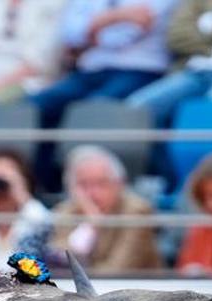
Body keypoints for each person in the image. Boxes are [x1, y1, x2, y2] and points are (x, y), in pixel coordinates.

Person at [30, 0, 179, 189]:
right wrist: (116, 17)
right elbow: (70, 33)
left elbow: (126, 34)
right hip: (89, 70)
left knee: (94, 110)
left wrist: (92, 28)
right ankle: (45, 187)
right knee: (35, 106)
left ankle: (86, 188)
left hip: (140, 70)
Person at [50, 145, 161, 271]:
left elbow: (117, 270)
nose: (92, 193)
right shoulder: (65, 211)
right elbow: (57, 264)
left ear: (119, 184)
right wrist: (89, 227)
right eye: (83, 184)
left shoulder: (137, 212)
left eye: (101, 183)